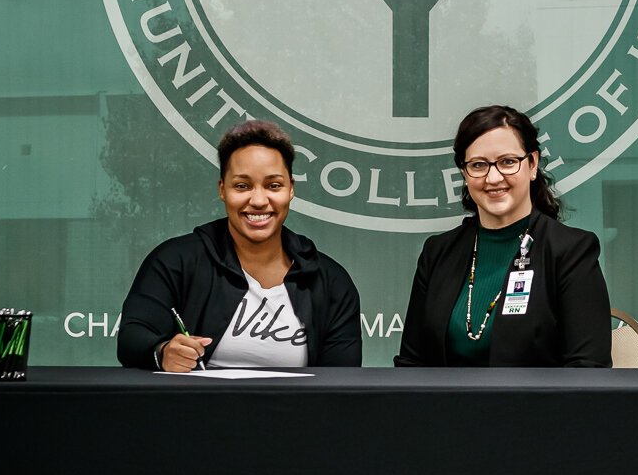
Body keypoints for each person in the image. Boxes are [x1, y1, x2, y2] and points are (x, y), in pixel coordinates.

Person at [118, 120, 361, 371]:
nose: (258, 200)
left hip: (296, 410)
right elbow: (132, 337)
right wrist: (163, 351)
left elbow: (341, 380)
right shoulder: (174, 261)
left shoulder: (331, 281)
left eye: (273, 185)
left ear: (291, 189)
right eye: (242, 186)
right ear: (222, 189)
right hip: (195, 409)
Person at [395, 105, 611, 367]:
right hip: (444, 408)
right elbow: (411, 363)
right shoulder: (437, 252)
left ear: (532, 164)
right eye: (478, 165)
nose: (493, 177)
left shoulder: (571, 251)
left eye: (508, 162)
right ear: (464, 173)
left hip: (537, 408)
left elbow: (587, 369)